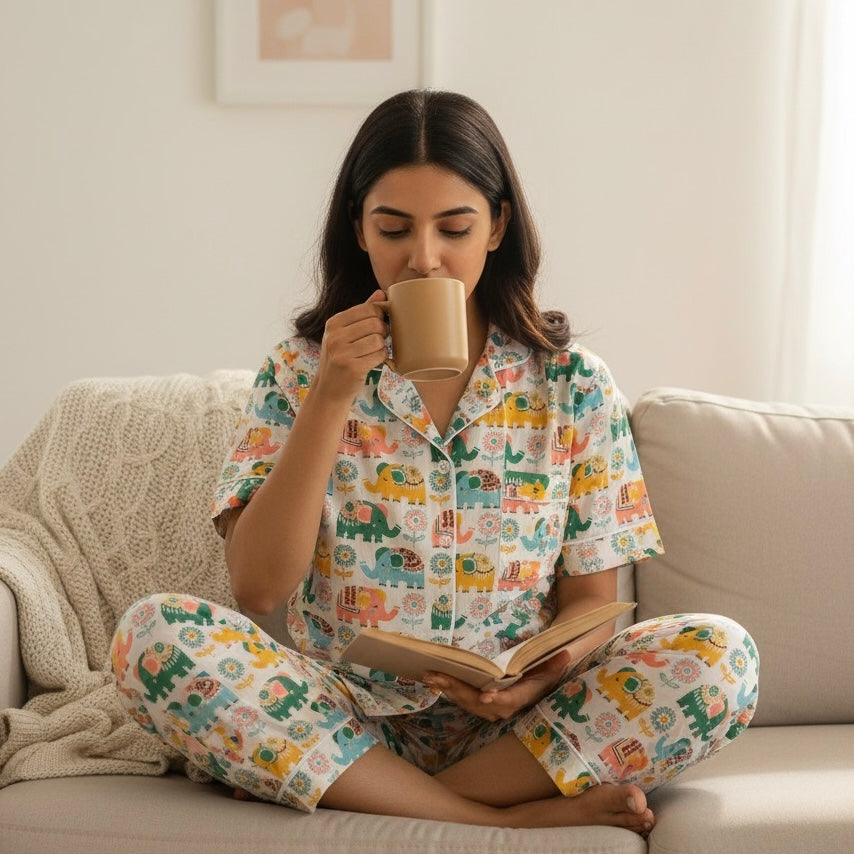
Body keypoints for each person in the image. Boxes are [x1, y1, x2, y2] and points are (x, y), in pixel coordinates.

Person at [111, 89, 758, 834]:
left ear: (498, 226)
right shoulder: (299, 372)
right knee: (152, 634)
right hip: (344, 714)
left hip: (516, 728)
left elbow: (591, 601)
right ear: (358, 228)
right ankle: (502, 819)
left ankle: (370, 793)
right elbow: (258, 588)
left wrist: (537, 676)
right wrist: (331, 394)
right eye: (394, 228)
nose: (423, 257)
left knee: (721, 656)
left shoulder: (573, 384)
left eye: (455, 228)